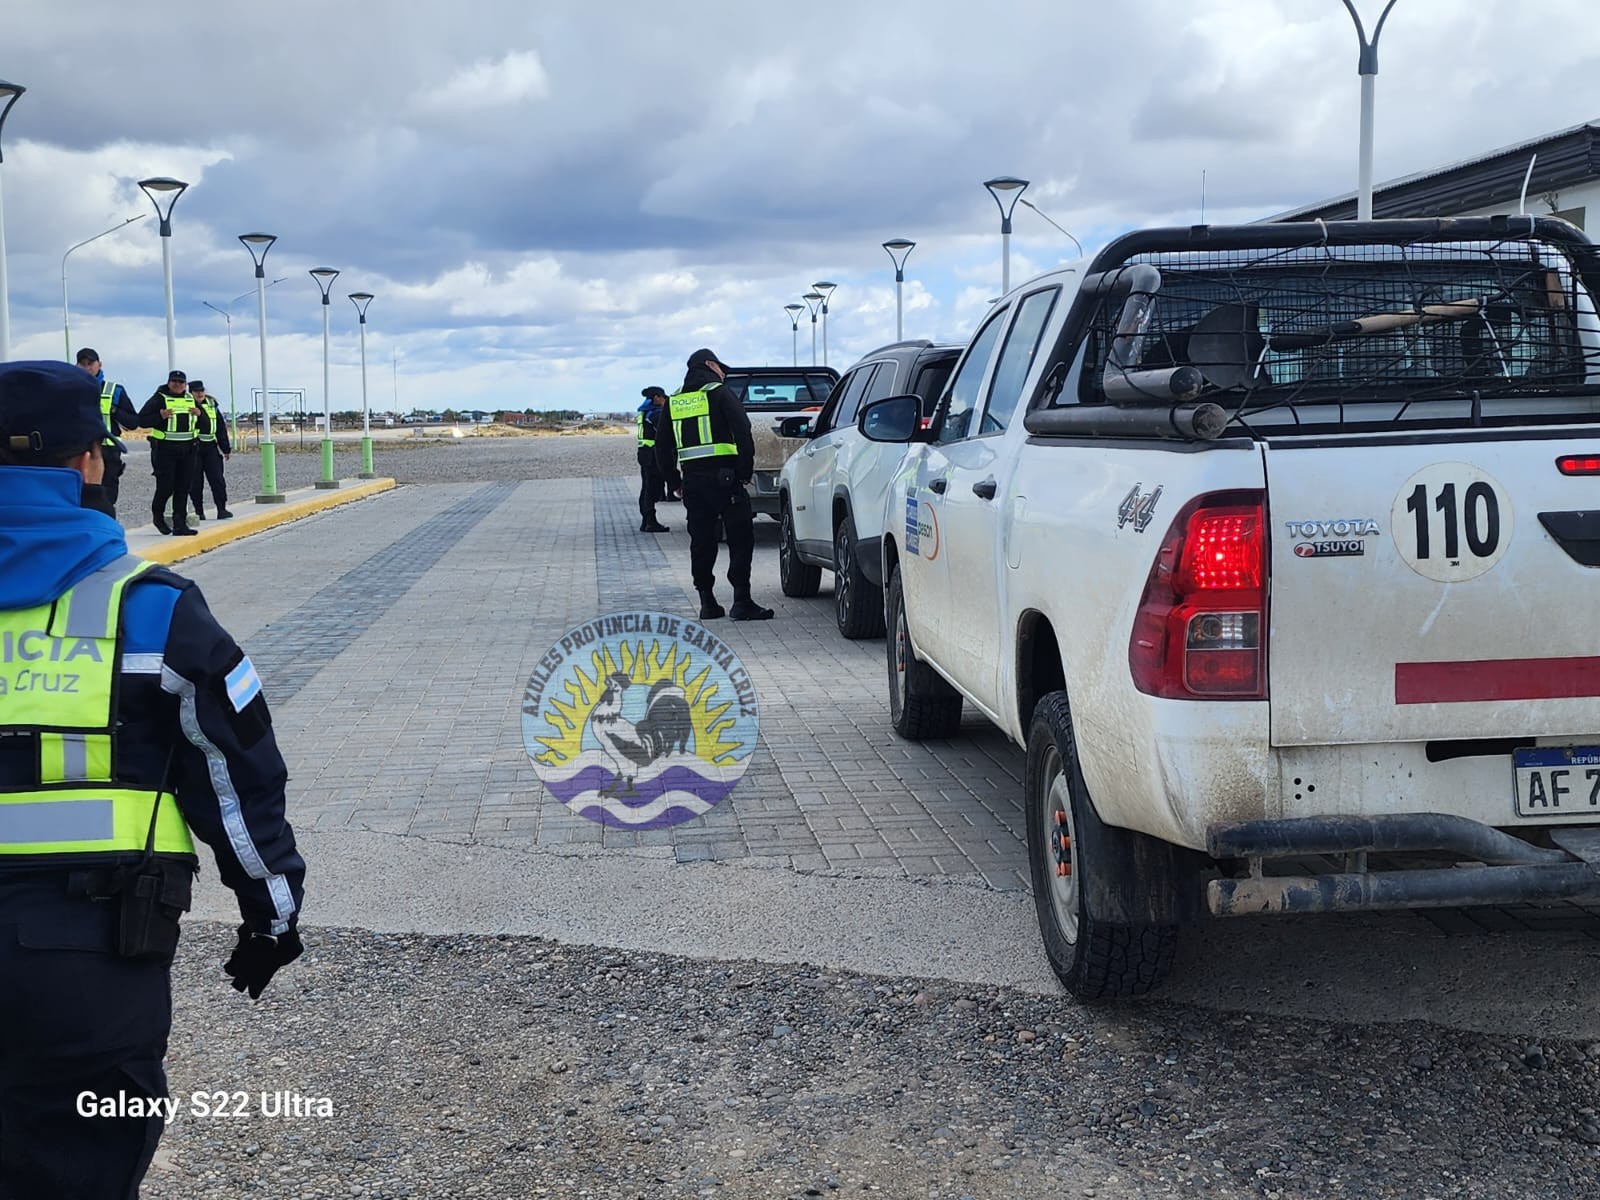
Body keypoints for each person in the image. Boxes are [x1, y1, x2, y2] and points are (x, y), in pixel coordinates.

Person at [0, 360, 306, 1198]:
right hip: (83, 954)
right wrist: (271, 916)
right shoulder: (151, 607)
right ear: (91, 463)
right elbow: (236, 777)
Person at [654, 348, 774, 622]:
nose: (724, 374)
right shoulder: (719, 393)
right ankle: (741, 601)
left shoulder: (675, 401)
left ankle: (707, 602)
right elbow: (743, 430)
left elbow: (662, 448)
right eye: (722, 368)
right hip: (726, 481)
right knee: (740, 539)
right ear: (710, 365)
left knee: (702, 542)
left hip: (693, 484)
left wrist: (675, 482)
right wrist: (744, 471)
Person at [74, 348, 139, 520]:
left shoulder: (115, 391)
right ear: (77, 365)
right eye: (83, 364)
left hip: (108, 453)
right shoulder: (71, 389)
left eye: (90, 364)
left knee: (106, 498)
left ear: (99, 364)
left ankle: (105, 531)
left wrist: (115, 410)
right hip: (81, 452)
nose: (87, 368)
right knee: (82, 497)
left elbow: (133, 422)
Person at [138, 368, 199, 536]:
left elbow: (204, 423)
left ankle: (180, 524)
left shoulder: (190, 399)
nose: (177, 385)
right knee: (166, 486)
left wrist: (199, 414)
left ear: (185, 385)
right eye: (174, 382)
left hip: (188, 450)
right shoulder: (159, 399)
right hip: (165, 449)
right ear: (169, 383)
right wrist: (160, 416)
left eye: (181, 382)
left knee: (183, 486)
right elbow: (141, 420)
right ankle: (158, 516)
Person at [187, 379, 234, 520]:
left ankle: (222, 509)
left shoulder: (212, 405)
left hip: (210, 446)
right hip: (194, 445)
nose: (200, 393)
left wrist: (225, 448)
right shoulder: (186, 405)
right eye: (197, 391)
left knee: (217, 479)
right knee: (196, 481)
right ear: (191, 393)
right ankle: (199, 511)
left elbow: (220, 428)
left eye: (202, 390)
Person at [636, 386, 670, 534]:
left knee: (646, 488)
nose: (665, 401)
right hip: (652, 455)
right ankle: (650, 521)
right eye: (663, 397)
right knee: (651, 488)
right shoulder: (655, 414)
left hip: (645, 453)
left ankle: (647, 520)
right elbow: (666, 432)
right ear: (656, 398)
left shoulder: (644, 412)